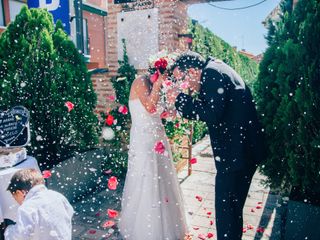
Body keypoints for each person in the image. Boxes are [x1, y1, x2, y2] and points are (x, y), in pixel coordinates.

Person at [167, 51, 266, 240]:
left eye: (183, 79)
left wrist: (179, 98)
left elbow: (211, 114)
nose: (184, 86)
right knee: (232, 210)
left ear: (194, 71)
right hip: (243, 151)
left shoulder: (212, 74)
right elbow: (214, 109)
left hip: (237, 153)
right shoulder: (215, 68)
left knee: (226, 211)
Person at [118, 68, 188, 239]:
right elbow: (149, 107)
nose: (165, 79)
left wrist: (173, 110)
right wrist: (158, 84)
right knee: (146, 177)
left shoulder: (157, 85)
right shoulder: (141, 82)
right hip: (144, 139)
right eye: (165, 75)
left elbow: (159, 111)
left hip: (157, 137)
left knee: (162, 177)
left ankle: (166, 226)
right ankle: (146, 230)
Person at [4, 168, 74, 240]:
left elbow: (20, 236)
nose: (17, 202)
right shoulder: (58, 196)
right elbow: (69, 213)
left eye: (15, 198)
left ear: (19, 193)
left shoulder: (26, 208)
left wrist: (9, 230)